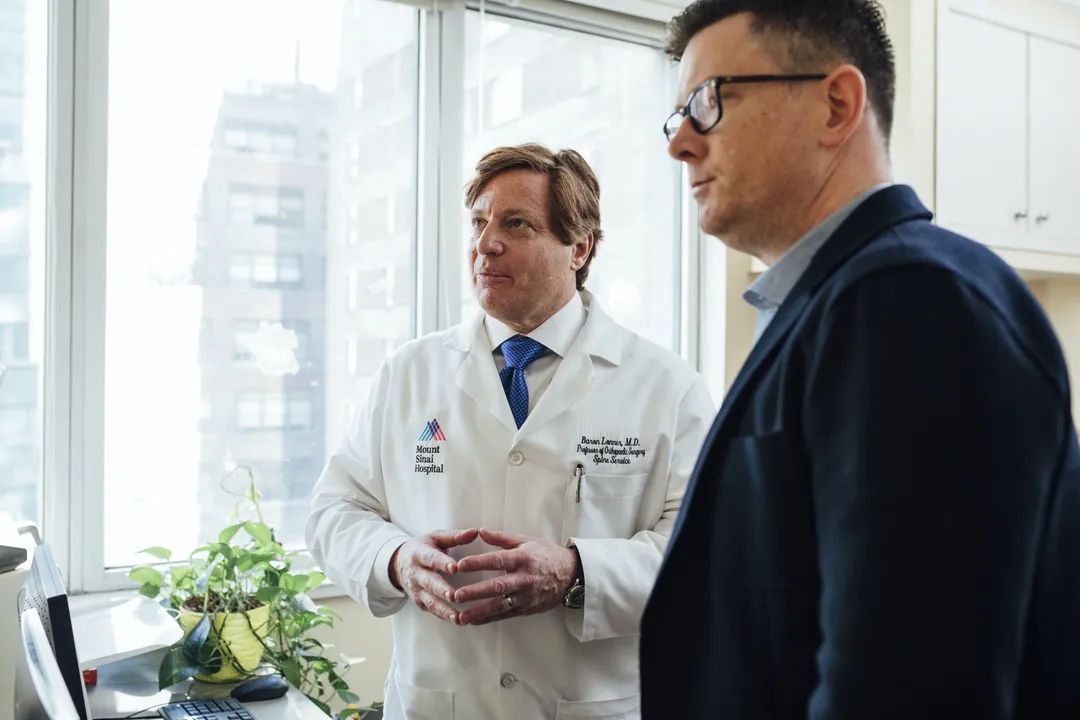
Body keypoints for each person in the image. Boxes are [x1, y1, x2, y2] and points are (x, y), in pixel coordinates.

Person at [640, 1, 1080, 718]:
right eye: (676, 115)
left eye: (708, 101)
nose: (680, 142)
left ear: (836, 104)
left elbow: (906, 687)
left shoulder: (912, 300)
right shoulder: (826, 304)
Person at [307, 143, 715, 720]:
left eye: (515, 224)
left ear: (580, 247)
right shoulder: (409, 372)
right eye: (478, 223)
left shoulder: (666, 387)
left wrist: (577, 573)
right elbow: (333, 511)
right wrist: (396, 560)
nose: (485, 243)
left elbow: (707, 553)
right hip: (438, 703)